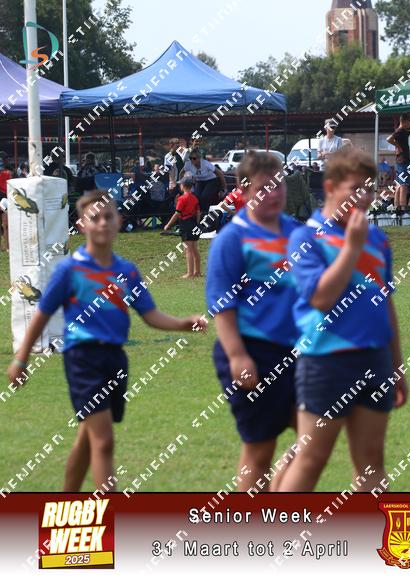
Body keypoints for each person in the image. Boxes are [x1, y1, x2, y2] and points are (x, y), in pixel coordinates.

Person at [5, 190, 204, 492]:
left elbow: (150, 315)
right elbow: (41, 315)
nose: (102, 223)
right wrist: (21, 359)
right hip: (83, 360)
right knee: (104, 441)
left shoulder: (126, 271)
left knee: (88, 439)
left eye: (108, 216)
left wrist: (183, 324)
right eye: (94, 218)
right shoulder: (69, 270)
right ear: (81, 225)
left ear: (119, 221)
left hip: (115, 359)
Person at [278, 148, 408, 492]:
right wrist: (351, 248)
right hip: (325, 362)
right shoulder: (305, 238)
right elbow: (321, 298)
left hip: (374, 360)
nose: (365, 197)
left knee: (371, 463)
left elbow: (385, 304)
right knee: (311, 458)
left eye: (370, 188)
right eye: (355, 189)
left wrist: (397, 366)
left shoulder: (377, 239)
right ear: (331, 187)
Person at [205, 152, 300, 492]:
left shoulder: (298, 233)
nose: (273, 194)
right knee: (260, 450)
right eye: (262, 188)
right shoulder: (233, 238)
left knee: (317, 433)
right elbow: (222, 305)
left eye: (278, 185)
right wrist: (238, 356)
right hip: (253, 351)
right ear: (243, 192)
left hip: (297, 353)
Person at [163, 175, 202, 279]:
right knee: (195, 248)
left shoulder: (182, 198)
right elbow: (198, 212)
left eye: (180, 184)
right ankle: (197, 271)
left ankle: (190, 273)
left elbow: (177, 213)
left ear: (183, 186)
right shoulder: (195, 198)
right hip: (194, 223)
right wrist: (197, 224)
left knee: (188, 250)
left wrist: (168, 225)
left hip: (186, 223)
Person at [181, 148, 226, 214]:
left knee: (204, 197)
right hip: (200, 181)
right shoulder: (188, 164)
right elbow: (181, 173)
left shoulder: (205, 163)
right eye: (190, 158)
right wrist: (181, 184)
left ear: (199, 158)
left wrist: (224, 188)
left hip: (211, 181)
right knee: (196, 197)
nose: (192, 160)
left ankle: (205, 213)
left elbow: (220, 173)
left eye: (194, 158)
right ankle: (198, 213)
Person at [387, 113, 410, 214]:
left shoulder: (404, 132)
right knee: (404, 185)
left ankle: (396, 207)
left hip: (400, 162)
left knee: (399, 184)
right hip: (403, 162)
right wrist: (398, 146)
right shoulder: (400, 131)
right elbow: (389, 139)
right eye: (409, 122)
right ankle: (402, 208)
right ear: (404, 122)